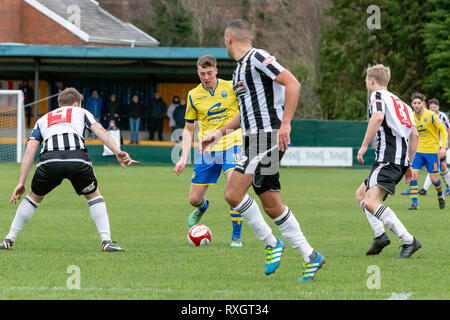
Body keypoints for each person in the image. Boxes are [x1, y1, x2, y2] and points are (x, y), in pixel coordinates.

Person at [201, 19, 324, 282]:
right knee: (271, 204)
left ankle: (271, 243)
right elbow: (245, 115)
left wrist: (286, 124)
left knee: (233, 193)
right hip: (253, 138)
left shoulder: (258, 57)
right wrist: (219, 132)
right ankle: (311, 256)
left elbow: (293, 84)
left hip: (266, 138)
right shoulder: (238, 71)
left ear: (229, 38)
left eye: (224, 40)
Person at [0, 87, 138, 252]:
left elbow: (30, 150)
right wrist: (117, 151)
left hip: (49, 162)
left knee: (32, 198)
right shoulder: (81, 112)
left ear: (59, 104)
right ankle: (106, 241)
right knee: (94, 196)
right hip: (77, 159)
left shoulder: (42, 119)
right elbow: (100, 130)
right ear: (76, 103)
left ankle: (9, 239)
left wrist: (21, 182)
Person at [174, 55, 244, 247]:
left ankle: (236, 236)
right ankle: (203, 207)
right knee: (194, 199)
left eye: (209, 73)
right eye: (202, 73)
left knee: (234, 188)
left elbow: (245, 113)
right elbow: (188, 129)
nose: (206, 77)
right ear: (198, 72)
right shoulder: (193, 95)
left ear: (216, 70)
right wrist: (183, 159)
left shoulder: (231, 88)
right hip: (208, 149)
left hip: (232, 142)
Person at [355, 64, 422, 258]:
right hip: (398, 160)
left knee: (370, 202)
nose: (366, 84)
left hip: (387, 158)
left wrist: (364, 145)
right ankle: (380, 235)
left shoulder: (377, 96)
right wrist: (409, 164)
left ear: (372, 81)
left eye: (366, 80)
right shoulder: (403, 104)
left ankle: (409, 240)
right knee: (361, 195)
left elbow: (377, 117)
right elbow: (415, 135)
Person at [406, 92, 447, 210]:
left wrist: (443, 147)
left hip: (432, 151)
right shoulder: (411, 116)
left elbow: (443, 131)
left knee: (434, 180)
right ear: (412, 104)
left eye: (419, 103)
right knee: (413, 175)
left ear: (423, 104)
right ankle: (415, 204)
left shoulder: (432, 115)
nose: (417, 105)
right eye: (415, 103)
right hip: (418, 152)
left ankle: (440, 194)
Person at [418, 98, 450, 196]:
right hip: (433, 145)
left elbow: (448, 129)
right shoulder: (428, 116)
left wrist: (447, 144)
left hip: (441, 144)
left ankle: (424, 188)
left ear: (438, 107)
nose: (432, 108)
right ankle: (425, 188)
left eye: (434, 107)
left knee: (438, 165)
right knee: (440, 166)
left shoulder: (442, 116)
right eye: (431, 107)